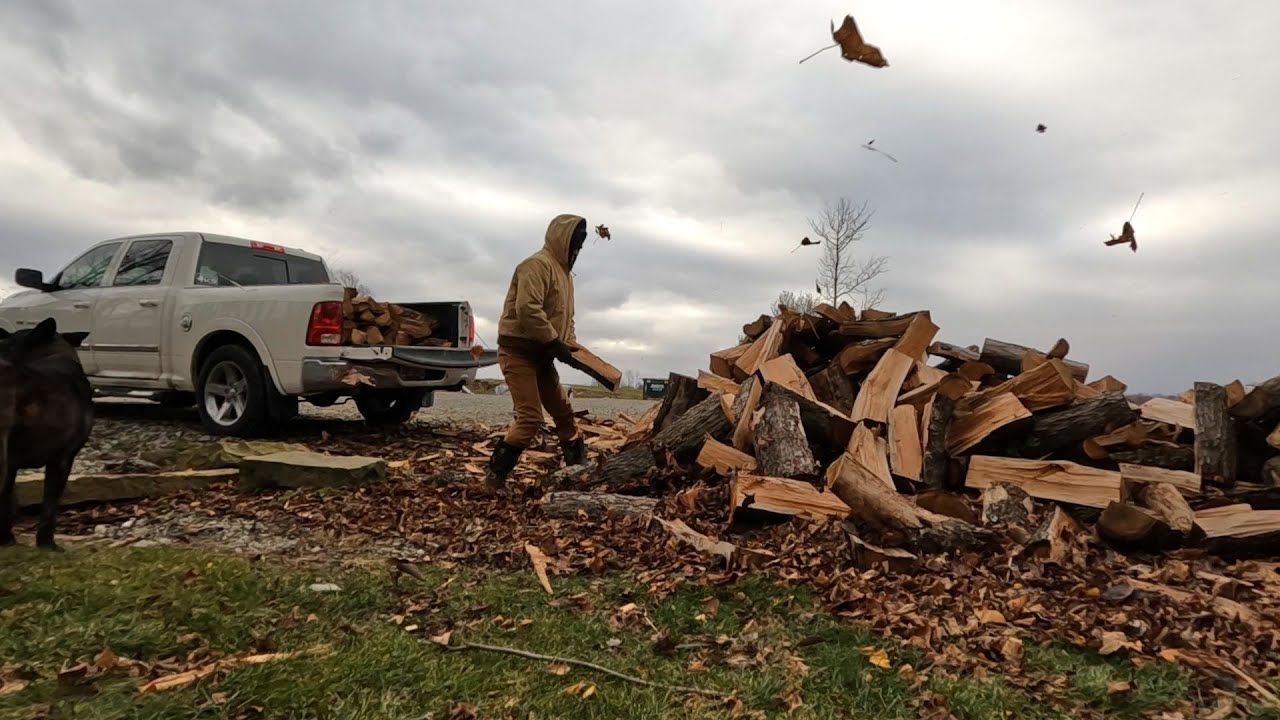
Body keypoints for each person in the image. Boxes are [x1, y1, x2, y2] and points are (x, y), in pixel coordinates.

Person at [486, 213, 588, 488]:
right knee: (530, 418)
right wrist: (554, 342)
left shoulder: (565, 276)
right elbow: (527, 309)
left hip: (542, 355)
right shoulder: (536, 265)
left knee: (565, 414)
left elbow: (568, 318)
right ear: (562, 239)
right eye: (574, 244)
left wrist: (572, 348)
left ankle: (579, 473)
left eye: (580, 245)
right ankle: (495, 477)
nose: (577, 250)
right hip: (518, 352)